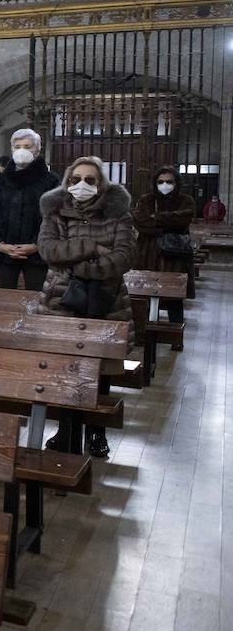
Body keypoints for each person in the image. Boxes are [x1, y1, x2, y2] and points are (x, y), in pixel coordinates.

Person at [36, 156, 135, 459]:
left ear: (101, 184)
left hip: (105, 302)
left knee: (100, 370)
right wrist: (92, 248)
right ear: (67, 182)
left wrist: (78, 267)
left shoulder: (118, 215)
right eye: (76, 179)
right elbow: (48, 250)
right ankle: (65, 430)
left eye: (90, 180)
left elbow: (124, 257)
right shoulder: (55, 213)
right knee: (64, 371)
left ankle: (97, 432)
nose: (82, 185)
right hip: (61, 303)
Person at [0, 128, 58, 290]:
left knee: (35, 300)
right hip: (4, 254)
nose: (21, 150)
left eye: (27, 146)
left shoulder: (50, 181)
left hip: (38, 255)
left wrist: (37, 244)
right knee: (4, 300)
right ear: (12, 149)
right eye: (17, 146)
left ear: (37, 149)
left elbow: (54, 218)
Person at [132, 166, 196, 322]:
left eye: (169, 181)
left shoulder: (186, 200)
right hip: (147, 255)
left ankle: (176, 339)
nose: (165, 185)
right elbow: (140, 222)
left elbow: (183, 219)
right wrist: (167, 225)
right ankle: (143, 335)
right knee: (144, 298)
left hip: (175, 256)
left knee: (174, 298)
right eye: (160, 181)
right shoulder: (147, 199)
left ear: (176, 183)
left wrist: (156, 219)